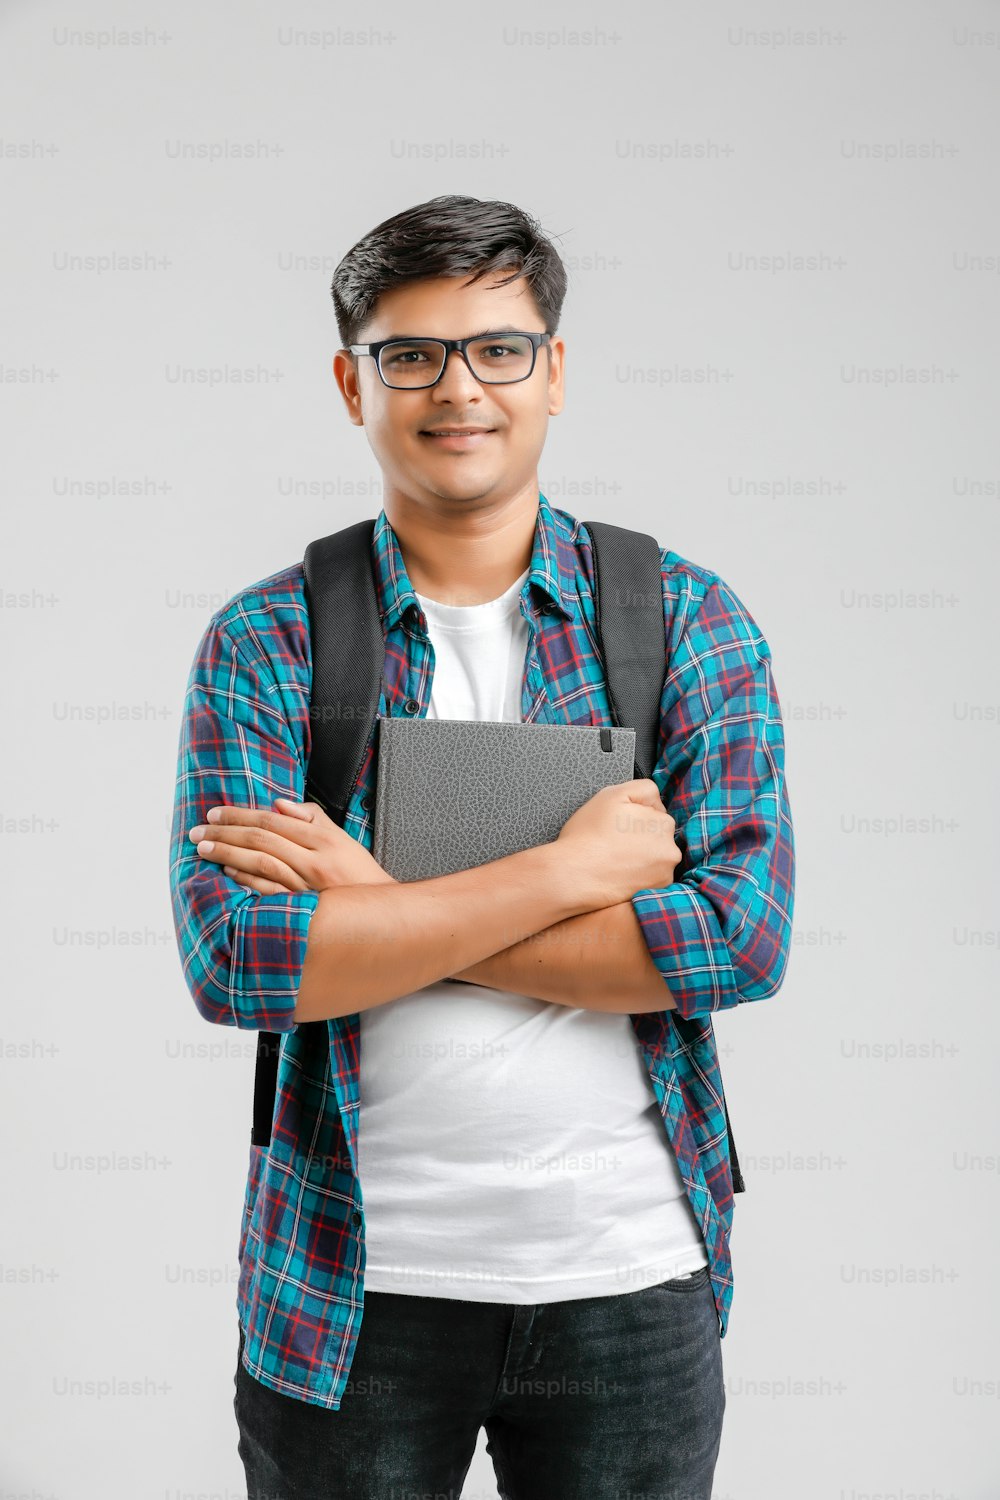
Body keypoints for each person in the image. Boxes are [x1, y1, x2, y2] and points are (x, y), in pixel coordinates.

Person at [168, 193, 796, 1500]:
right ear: (355, 384)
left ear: (553, 371)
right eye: (412, 354)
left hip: (629, 1281)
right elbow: (241, 964)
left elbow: (735, 940)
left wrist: (375, 909)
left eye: (498, 348)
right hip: (349, 1293)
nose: (460, 387)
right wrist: (569, 875)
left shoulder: (681, 622)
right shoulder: (271, 642)